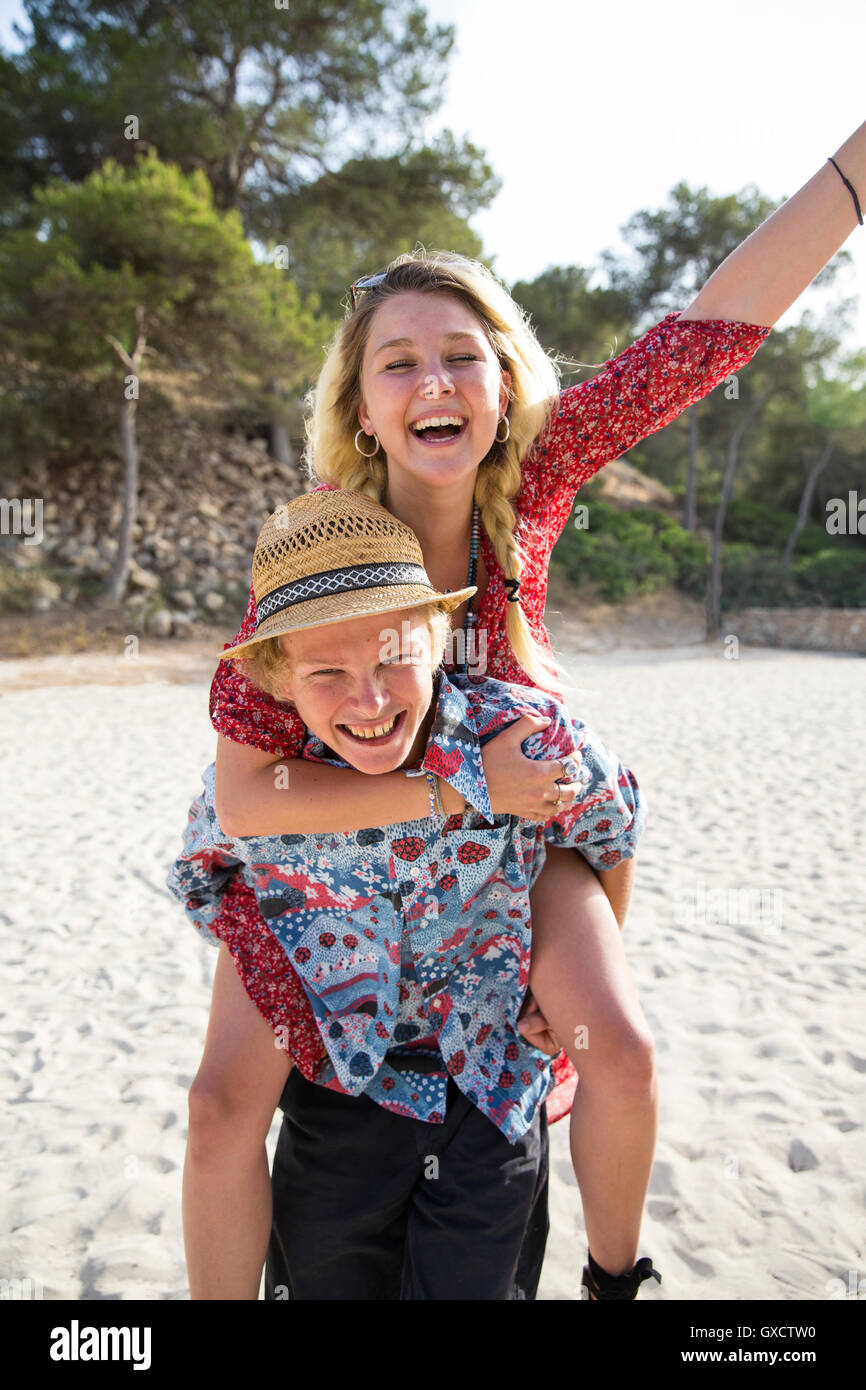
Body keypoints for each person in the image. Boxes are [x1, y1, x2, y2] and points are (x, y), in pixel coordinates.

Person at [186, 127, 865, 1292]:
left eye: (461, 355)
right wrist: (450, 785)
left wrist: (848, 181)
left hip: (513, 825)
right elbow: (248, 792)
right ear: (358, 403)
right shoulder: (316, 543)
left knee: (624, 1052)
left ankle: (614, 1284)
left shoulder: (533, 487)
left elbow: (699, 341)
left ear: (504, 387)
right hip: (339, 837)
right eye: (396, 363)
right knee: (215, 1106)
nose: (433, 381)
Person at [169, 489, 658, 1300]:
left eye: (394, 659)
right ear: (279, 680)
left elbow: (611, 823)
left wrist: (564, 974)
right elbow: (213, 878)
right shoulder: (271, 792)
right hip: (344, 1087)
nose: (370, 700)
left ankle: (616, 1282)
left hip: (486, 1085)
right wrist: (283, 988)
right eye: (328, 673)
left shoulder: (521, 740)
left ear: (438, 638)